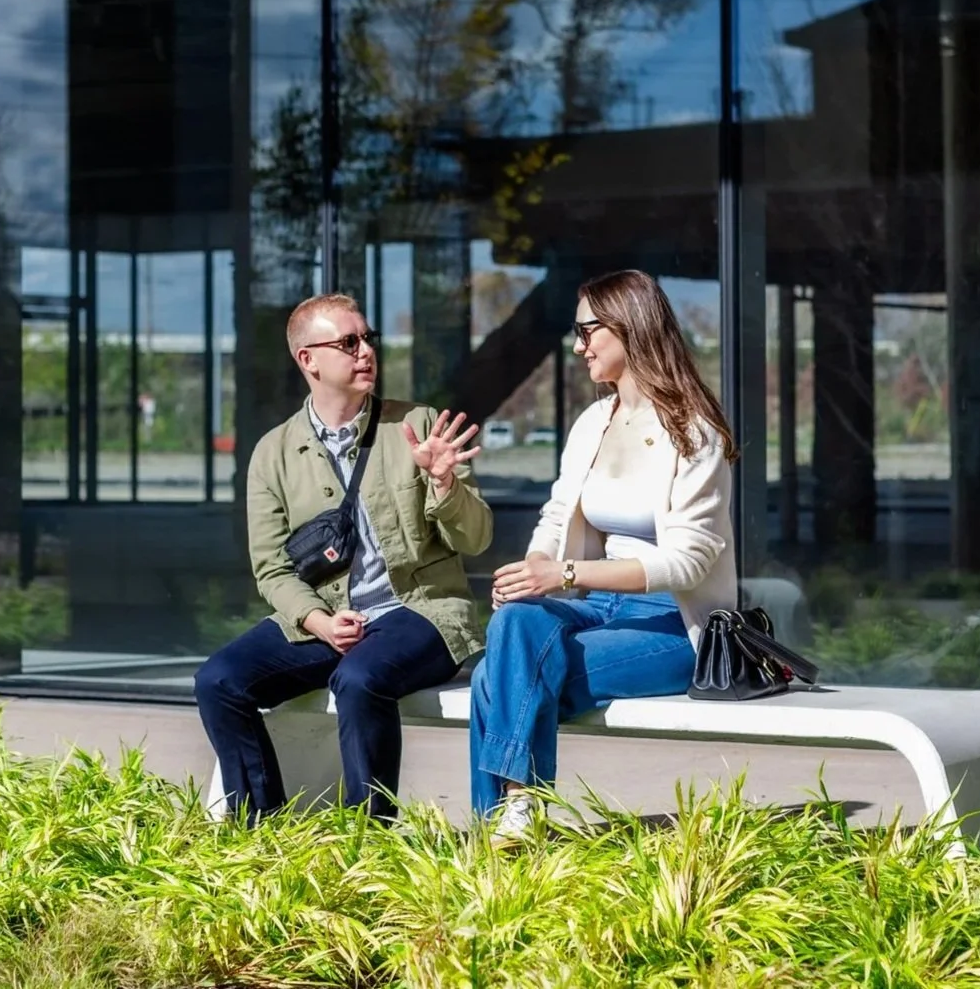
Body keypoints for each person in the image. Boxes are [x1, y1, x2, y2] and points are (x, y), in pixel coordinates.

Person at [195, 293, 491, 824]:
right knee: (218, 680)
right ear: (308, 359)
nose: (366, 352)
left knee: (358, 678)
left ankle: (368, 835)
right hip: (327, 620)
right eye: (349, 343)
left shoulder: (418, 425)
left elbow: (476, 539)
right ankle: (260, 826)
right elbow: (271, 568)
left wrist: (445, 482)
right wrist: (318, 621)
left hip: (420, 611)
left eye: (368, 339)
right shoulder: (273, 453)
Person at [469, 269, 738, 843]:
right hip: (600, 608)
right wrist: (530, 573)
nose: (578, 347)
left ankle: (503, 827)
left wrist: (563, 573)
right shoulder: (594, 422)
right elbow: (557, 515)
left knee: (498, 677)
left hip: (671, 622)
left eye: (587, 331)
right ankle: (517, 816)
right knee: (514, 623)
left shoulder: (695, 433)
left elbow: (688, 563)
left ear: (629, 326)